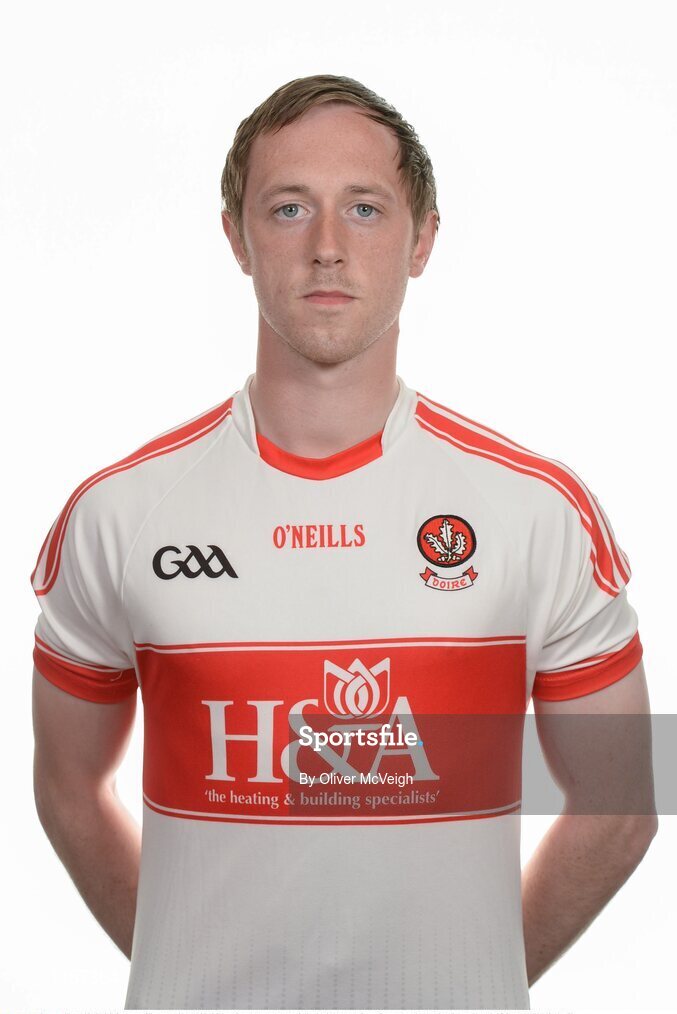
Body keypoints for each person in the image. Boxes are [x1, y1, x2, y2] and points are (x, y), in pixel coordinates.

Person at [30, 74, 657, 1011]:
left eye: (364, 208)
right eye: (288, 208)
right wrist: (190, 969)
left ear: (423, 239)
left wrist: (470, 980)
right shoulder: (122, 513)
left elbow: (623, 807)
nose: (327, 247)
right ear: (236, 238)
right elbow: (68, 789)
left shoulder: (537, 511)